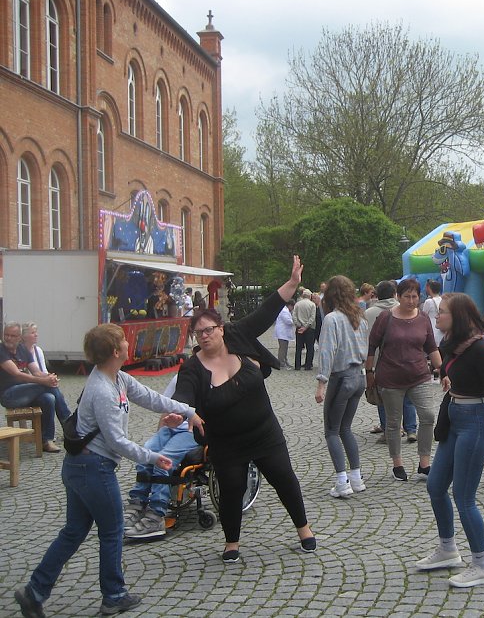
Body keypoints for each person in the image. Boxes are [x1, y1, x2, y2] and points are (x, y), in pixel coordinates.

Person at [14, 323, 203, 617]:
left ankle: (34, 592)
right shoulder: (102, 389)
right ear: (115, 351)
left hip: (84, 468)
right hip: (93, 469)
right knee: (113, 530)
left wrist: (188, 410)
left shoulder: (117, 377)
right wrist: (155, 458)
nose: (129, 345)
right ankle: (113, 595)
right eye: (124, 343)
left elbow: (151, 398)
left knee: (74, 531)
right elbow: (116, 441)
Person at [173, 256, 316, 562]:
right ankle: (231, 542)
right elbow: (184, 394)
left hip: (264, 432)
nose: (205, 336)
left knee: (284, 478)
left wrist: (292, 282)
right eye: (199, 333)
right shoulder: (192, 367)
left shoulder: (238, 333)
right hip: (226, 442)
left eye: (209, 329)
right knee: (231, 488)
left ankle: (304, 529)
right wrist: (183, 412)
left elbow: (266, 310)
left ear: (221, 329)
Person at [418, 293, 484, 588]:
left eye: (442, 313)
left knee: (464, 498)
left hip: (479, 422)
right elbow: (448, 372)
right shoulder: (451, 344)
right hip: (456, 419)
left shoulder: (479, 350)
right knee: (436, 486)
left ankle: (481, 566)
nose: (436, 317)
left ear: (459, 317)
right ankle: (448, 550)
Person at [366, 278, 442, 482]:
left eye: (414, 296)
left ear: (419, 297)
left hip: (419, 376)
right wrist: (369, 372)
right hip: (390, 378)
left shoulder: (424, 318)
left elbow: (431, 347)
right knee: (393, 423)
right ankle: (397, 463)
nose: (411, 300)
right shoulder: (385, 317)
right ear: (398, 297)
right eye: (406, 296)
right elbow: (372, 345)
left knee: (427, 416)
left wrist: (443, 370)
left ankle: (424, 463)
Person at [124, 375, 200, 539]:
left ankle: (156, 515)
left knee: (162, 461)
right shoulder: (180, 376)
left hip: (193, 432)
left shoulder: (215, 375)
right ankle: (138, 503)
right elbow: (166, 407)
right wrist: (160, 433)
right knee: (147, 453)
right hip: (172, 427)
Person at [314, 275, 369, 498]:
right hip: (359, 377)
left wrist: (321, 383)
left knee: (331, 431)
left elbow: (327, 351)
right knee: (346, 428)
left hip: (342, 378)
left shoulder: (332, 319)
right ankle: (356, 478)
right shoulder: (360, 318)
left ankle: (342, 481)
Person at [0, 321, 71, 453]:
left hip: (26, 394)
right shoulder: (1, 350)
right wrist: (44, 381)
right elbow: (16, 374)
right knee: (47, 387)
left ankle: (47, 440)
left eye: (12, 336)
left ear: (19, 337)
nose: (8, 338)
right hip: (9, 395)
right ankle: (69, 425)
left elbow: (37, 372)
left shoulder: (23, 350)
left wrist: (50, 376)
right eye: (6, 335)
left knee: (49, 398)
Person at [365, 280, 417, 440]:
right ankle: (411, 429)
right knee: (407, 396)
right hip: (406, 359)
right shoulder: (406, 309)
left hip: (379, 363)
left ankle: (388, 428)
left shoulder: (368, 313)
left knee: (382, 397)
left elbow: (366, 340)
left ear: (377, 295)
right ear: (395, 294)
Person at [293, 289, 317, 370]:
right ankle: (308, 365)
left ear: (303, 296)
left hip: (299, 328)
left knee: (298, 347)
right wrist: (306, 326)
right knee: (310, 348)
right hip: (309, 329)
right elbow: (312, 318)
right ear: (310, 296)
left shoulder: (297, 304)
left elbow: (294, 316)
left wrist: (299, 325)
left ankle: (297, 365)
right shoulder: (312, 305)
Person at [275, 299, 296, 370]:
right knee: (282, 348)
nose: (293, 309)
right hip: (282, 333)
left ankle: (285, 361)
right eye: (293, 307)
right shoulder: (284, 311)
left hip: (284, 333)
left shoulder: (285, 310)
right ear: (290, 305)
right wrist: (295, 321)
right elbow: (288, 321)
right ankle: (281, 363)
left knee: (285, 348)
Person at [422, 279, 444, 347]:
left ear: (429, 288)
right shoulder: (442, 299)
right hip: (442, 332)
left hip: (432, 331)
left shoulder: (428, 301)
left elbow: (423, 316)